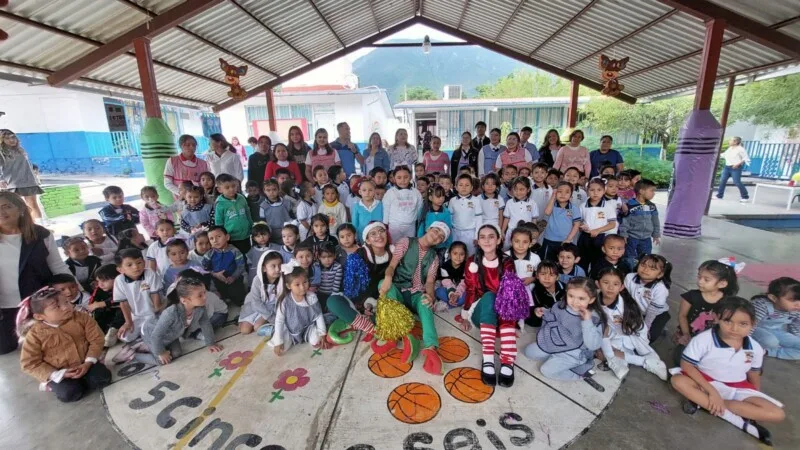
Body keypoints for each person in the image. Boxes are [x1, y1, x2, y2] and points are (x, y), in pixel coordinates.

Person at [670, 297, 785, 446]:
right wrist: (712, 392)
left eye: (743, 324)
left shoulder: (755, 347)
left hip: (737, 388)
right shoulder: (704, 339)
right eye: (727, 321)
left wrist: (755, 395)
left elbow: (753, 374)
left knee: (777, 414)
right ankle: (737, 420)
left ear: (753, 324)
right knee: (678, 381)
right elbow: (687, 366)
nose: (734, 329)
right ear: (716, 318)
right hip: (704, 382)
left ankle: (704, 403)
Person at [0, 192, 70, 354]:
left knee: (50, 344)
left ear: (21, 209)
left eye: (7, 207)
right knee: (5, 348)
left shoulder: (41, 235)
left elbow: (58, 266)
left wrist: (74, 292)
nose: (2, 212)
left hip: (38, 302)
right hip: (5, 306)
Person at [378, 223, 449, 375]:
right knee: (382, 286)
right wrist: (388, 278)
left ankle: (431, 347)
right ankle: (398, 335)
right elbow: (392, 265)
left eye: (441, 237)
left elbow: (430, 282)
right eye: (436, 231)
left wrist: (430, 297)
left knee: (426, 303)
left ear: (441, 242)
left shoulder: (434, 258)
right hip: (398, 288)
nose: (436, 236)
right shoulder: (406, 242)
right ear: (429, 228)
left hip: (416, 293)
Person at [17, 287, 110, 402]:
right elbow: (29, 363)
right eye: (57, 307)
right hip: (59, 372)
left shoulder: (82, 317)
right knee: (70, 394)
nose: (66, 307)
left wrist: (88, 363)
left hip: (85, 363)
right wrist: (58, 374)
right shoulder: (34, 335)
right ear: (39, 317)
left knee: (103, 379)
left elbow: (97, 339)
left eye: (66, 302)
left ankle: (85, 377)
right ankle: (50, 383)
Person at [458, 224, 522, 387]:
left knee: (507, 298)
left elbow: (510, 293)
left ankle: (508, 361)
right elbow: (471, 289)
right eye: (482, 237)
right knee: (489, 296)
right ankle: (488, 359)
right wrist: (465, 314)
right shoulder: (473, 261)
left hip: (503, 311)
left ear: (499, 240)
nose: (487, 240)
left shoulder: (507, 261)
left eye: (491, 236)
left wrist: (514, 324)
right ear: (477, 241)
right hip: (481, 310)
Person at [523, 277, 606, 386]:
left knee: (546, 370)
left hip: (574, 352)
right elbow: (554, 315)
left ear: (591, 299)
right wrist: (542, 311)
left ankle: (579, 375)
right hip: (556, 342)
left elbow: (593, 345)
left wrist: (587, 322)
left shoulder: (594, 318)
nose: (575, 302)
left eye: (581, 298)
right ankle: (555, 357)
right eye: (571, 296)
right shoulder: (561, 305)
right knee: (529, 352)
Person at [596, 267, 667, 380]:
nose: (610, 287)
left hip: (631, 334)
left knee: (605, 353)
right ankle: (644, 362)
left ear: (621, 287)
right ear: (598, 284)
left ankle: (648, 362)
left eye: (615, 284)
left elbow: (636, 329)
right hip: (608, 334)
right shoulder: (593, 300)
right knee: (600, 353)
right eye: (605, 282)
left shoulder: (627, 305)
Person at [135, 277, 223, 366]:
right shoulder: (171, 312)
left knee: (177, 353)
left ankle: (154, 348)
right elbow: (156, 335)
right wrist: (161, 352)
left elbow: (205, 324)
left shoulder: (200, 307)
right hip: (150, 333)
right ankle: (135, 355)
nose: (205, 297)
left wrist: (211, 343)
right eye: (200, 295)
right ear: (184, 300)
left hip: (171, 334)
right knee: (162, 361)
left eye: (205, 292)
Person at [673, 260, 739, 365]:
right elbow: (682, 316)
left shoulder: (728, 302)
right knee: (681, 358)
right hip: (690, 337)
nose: (700, 281)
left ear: (722, 283)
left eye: (706, 279)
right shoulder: (691, 296)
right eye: (699, 277)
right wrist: (686, 334)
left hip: (713, 340)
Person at [111, 249, 162, 362]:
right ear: (120, 269)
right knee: (124, 336)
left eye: (139, 262)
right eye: (129, 265)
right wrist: (128, 322)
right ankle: (142, 344)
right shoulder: (119, 281)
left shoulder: (150, 274)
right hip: (136, 317)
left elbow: (155, 295)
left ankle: (139, 346)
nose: (136, 267)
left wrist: (157, 312)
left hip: (152, 314)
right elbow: (123, 303)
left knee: (154, 331)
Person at [269, 266, 328, 354]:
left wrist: (322, 333)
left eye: (305, 282)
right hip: (290, 330)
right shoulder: (284, 301)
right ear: (288, 286)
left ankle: (310, 335)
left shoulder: (312, 297)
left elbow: (318, 316)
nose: (302, 287)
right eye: (297, 284)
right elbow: (279, 321)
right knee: (282, 348)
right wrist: (278, 341)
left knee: (316, 340)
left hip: (307, 328)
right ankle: (271, 330)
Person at [625, 254, 672, 344]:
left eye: (652, 268)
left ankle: (660, 327)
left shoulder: (660, 288)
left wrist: (646, 327)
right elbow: (625, 298)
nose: (646, 270)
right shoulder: (629, 277)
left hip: (657, 314)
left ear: (660, 274)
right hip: (637, 311)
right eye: (643, 265)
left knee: (649, 335)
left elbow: (652, 311)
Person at [0, 129, 45, 223]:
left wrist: (34, 171)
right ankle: (23, 227)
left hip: (28, 181)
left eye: (13, 137)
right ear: (1, 140)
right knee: (16, 207)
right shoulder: (1, 152)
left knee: (33, 205)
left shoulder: (20, 150)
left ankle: (40, 226)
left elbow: (26, 164)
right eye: (7, 138)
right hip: (12, 183)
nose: (11, 140)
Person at [751, 277, 800, 360]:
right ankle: (753, 347)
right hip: (756, 329)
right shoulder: (762, 305)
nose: (798, 304)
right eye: (792, 300)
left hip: (776, 331)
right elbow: (751, 324)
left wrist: (794, 342)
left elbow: (795, 328)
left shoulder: (795, 310)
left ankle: (767, 352)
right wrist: (744, 342)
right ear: (774, 298)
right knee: (771, 342)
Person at [578, 178, 617, 272]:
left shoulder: (608, 206)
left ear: (604, 191)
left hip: (600, 238)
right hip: (585, 238)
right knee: (583, 261)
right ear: (587, 191)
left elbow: (612, 224)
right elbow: (579, 221)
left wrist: (597, 230)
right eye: (592, 190)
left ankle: (595, 281)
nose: (595, 193)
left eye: (599, 190)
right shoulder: (583, 206)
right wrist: (582, 226)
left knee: (598, 263)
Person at [619, 179, 661, 268]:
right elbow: (624, 221)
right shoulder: (629, 205)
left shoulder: (652, 206)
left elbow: (655, 221)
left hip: (646, 238)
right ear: (641, 191)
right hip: (631, 237)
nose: (654, 193)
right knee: (629, 258)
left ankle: (641, 273)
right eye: (652, 191)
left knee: (645, 258)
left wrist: (656, 234)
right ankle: (629, 273)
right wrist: (624, 234)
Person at [240, 250, 283, 334]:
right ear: (264, 268)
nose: (278, 269)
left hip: (272, 308)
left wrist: (272, 317)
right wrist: (269, 316)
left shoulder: (283, 279)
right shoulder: (257, 280)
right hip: (255, 306)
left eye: (280, 265)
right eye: (273, 266)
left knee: (257, 327)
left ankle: (276, 328)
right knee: (245, 330)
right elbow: (256, 302)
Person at [203, 226, 247, 306]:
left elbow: (241, 266)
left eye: (218, 237)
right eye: (211, 239)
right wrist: (215, 274)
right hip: (215, 280)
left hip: (232, 279)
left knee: (239, 299)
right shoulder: (209, 254)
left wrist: (233, 277)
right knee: (215, 297)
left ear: (227, 237)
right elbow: (204, 269)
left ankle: (231, 297)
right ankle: (222, 298)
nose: (215, 241)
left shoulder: (234, 251)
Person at [541, 182, 581, 261]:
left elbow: (576, 225)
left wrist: (569, 239)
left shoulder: (574, 208)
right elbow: (547, 212)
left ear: (571, 195)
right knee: (547, 262)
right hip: (549, 240)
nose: (563, 194)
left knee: (561, 262)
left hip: (565, 241)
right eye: (560, 191)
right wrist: (553, 196)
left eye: (567, 192)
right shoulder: (552, 205)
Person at [214, 173, 253, 254]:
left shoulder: (241, 198)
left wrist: (251, 226)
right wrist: (222, 237)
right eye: (227, 187)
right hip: (231, 238)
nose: (231, 189)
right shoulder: (220, 204)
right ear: (220, 190)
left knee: (247, 256)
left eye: (233, 186)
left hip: (245, 235)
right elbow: (219, 222)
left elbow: (247, 213)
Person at [382, 165, 422, 241]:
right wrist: (385, 224)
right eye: (399, 177)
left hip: (411, 226)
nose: (402, 180)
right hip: (394, 226)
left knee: (409, 247)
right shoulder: (390, 193)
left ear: (410, 177)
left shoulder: (416, 192)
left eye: (406, 177)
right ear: (394, 179)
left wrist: (418, 222)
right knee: (394, 247)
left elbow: (419, 209)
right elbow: (386, 209)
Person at [164, 135, 210, 199]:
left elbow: (205, 183)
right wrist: (182, 193)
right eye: (187, 145)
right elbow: (167, 183)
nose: (191, 147)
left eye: (194, 145)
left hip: (197, 199)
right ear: (181, 146)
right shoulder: (172, 161)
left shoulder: (203, 163)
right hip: (179, 199)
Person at [449, 174, 483, 255]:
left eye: (467, 185)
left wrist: (477, 236)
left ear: (471, 187)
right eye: (461, 185)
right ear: (456, 187)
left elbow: (479, 219)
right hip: (455, 232)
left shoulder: (476, 200)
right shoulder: (452, 201)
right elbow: (450, 218)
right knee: (456, 255)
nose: (464, 187)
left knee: (470, 256)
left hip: (470, 233)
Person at [502, 177, 538, 249]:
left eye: (521, 189)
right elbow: (507, 218)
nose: (518, 192)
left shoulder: (532, 203)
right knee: (508, 250)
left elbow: (534, 219)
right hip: (511, 231)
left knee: (523, 249)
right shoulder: (509, 202)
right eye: (515, 189)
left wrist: (533, 233)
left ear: (528, 190)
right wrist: (502, 231)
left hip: (527, 232)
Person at [526, 261, 564, 327]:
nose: (547, 278)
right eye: (543, 274)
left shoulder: (566, 289)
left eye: (551, 275)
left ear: (557, 277)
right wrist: (536, 313)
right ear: (537, 275)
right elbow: (530, 320)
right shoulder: (535, 292)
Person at [418, 183, 453, 253]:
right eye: (438, 196)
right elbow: (421, 229)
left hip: (442, 247)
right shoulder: (424, 211)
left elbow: (449, 229)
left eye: (443, 196)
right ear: (430, 198)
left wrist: (448, 246)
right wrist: (420, 243)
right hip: (427, 245)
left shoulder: (446, 212)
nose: (441, 199)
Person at [434, 241, 468, 311]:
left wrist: (457, 294)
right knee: (438, 291)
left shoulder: (466, 267)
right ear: (450, 254)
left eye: (461, 254)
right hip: (448, 289)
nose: (458, 257)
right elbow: (447, 282)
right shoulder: (445, 266)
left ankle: (447, 304)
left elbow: (463, 284)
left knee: (464, 298)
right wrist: (451, 294)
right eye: (455, 253)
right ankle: (453, 302)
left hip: (460, 291)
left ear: (465, 255)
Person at [716, 137, 751, 202]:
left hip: (736, 168)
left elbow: (745, 158)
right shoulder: (730, 148)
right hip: (727, 167)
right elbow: (724, 155)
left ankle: (745, 196)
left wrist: (737, 164)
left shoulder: (741, 149)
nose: (729, 141)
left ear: (735, 142)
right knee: (722, 181)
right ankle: (719, 196)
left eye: (731, 140)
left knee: (737, 182)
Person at [506, 227, 540, 293]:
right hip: (509, 292)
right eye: (516, 241)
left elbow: (540, 275)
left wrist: (532, 279)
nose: (520, 245)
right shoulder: (505, 256)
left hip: (528, 291)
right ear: (511, 242)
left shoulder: (535, 258)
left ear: (530, 244)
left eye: (525, 242)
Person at [260, 179, 292, 245]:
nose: (271, 192)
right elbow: (263, 222)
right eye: (268, 190)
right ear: (264, 191)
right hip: (271, 234)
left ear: (278, 189)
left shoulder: (286, 202)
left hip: (287, 233)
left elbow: (292, 217)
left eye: (274, 189)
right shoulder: (263, 206)